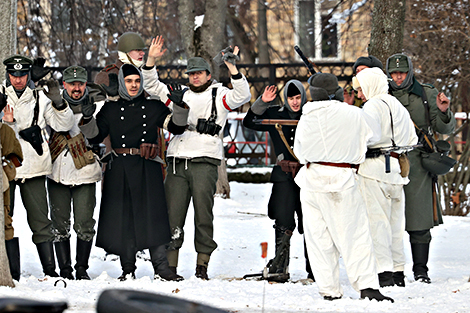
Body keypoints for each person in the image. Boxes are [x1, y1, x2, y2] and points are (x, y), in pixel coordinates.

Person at [142, 37, 251, 280]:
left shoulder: (219, 94)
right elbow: (152, 85)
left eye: (199, 73)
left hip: (205, 159)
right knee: (173, 214)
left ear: (207, 74)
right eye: (191, 74)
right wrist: (151, 59)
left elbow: (242, 95)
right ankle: (170, 266)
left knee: (204, 214)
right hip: (178, 159)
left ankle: (202, 264)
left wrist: (232, 68)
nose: (195, 77)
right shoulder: (180, 95)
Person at [79, 63, 189, 281]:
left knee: (154, 216)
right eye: (129, 81)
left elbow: (176, 127)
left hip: (147, 167)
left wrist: (179, 106)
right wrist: (88, 118)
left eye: (137, 81)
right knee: (124, 219)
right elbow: (94, 137)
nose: (133, 85)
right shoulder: (110, 109)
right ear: (122, 82)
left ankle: (162, 267)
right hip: (119, 168)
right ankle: (127, 268)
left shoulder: (153, 107)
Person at [293, 73, 393, 302]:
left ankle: (328, 289)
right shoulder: (354, 114)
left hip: (311, 179)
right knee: (354, 235)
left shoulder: (305, 117)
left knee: (319, 238)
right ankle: (367, 286)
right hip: (342, 179)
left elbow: (299, 152)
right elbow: (374, 134)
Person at [2, 54, 75, 278]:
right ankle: (8, 271)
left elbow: (64, 125)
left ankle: (50, 271)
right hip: (6, 167)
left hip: (33, 166)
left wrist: (59, 102)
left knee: (41, 221)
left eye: (22, 75)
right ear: (8, 75)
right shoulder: (0, 96)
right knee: (4, 220)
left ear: (28, 75)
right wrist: (6, 123)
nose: (18, 80)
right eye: (14, 75)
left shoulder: (40, 98)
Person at [385, 53, 456, 284]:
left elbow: (443, 127)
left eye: (402, 73)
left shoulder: (426, 93)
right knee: (386, 216)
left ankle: (420, 269)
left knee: (419, 217)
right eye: (394, 73)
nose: (397, 78)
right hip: (388, 160)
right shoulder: (381, 93)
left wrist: (444, 111)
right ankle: (389, 269)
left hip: (417, 160)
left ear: (410, 72)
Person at [353, 67, 418, 287]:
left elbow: (369, 137)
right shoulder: (397, 105)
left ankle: (384, 272)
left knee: (377, 223)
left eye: (361, 89)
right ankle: (399, 271)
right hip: (397, 171)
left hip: (374, 170)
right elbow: (412, 137)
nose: (359, 95)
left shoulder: (371, 106)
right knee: (396, 224)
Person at [242, 81, 313, 282]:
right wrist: (262, 102)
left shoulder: (311, 114)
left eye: (298, 97)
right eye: (291, 98)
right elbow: (249, 122)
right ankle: (280, 267)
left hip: (308, 175)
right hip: (283, 177)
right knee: (283, 221)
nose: (295, 102)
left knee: (312, 223)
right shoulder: (276, 114)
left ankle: (316, 270)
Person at [46, 66, 105, 280]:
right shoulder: (51, 104)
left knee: (85, 223)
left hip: (85, 171)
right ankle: (64, 269)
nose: (77, 88)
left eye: (80, 84)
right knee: (59, 222)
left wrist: (90, 119)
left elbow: (99, 136)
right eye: (72, 84)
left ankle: (81, 268)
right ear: (65, 85)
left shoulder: (97, 104)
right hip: (57, 172)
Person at [1, 93, 23, 281]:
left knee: (6, 223)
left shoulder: (5, 131)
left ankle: (11, 272)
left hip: (2, 184)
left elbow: (16, 158)